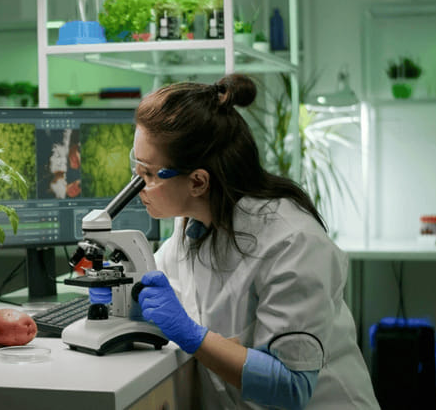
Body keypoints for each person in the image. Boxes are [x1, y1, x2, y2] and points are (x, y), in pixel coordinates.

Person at [133, 75, 379, 409]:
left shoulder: (292, 242)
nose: (138, 185)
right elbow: (158, 281)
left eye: (148, 173)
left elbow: (292, 386)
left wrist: (191, 335)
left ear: (198, 182)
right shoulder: (193, 226)